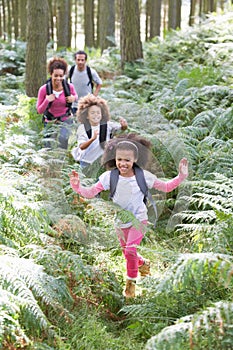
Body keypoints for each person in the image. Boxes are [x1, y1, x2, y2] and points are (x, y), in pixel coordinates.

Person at [69, 133, 189, 298]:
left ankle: (130, 287)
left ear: (135, 160)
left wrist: (181, 177)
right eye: (119, 159)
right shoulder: (108, 177)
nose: (122, 163)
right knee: (127, 253)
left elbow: (166, 187)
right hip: (120, 222)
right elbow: (90, 192)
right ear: (114, 159)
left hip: (139, 220)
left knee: (131, 250)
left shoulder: (143, 176)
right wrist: (77, 187)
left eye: (127, 160)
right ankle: (144, 263)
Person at [71, 94, 128, 168]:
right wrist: (92, 139)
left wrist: (124, 126)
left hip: (102, 162)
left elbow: (120, 129)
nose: (96, 115)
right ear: (87, 115)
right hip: (86, 161)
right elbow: (81, 146)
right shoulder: (83, 128)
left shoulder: (107, 125)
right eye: (92, 113)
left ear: (102, 114)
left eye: (98, 113)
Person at [37, 57, 78, 150]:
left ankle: (61, 162)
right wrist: (47, 100)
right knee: (47, 145)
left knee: (63, 140)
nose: (58, 78)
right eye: (56, 75)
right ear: (51, 74)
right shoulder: (44, 89)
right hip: (50, 121)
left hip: (65, 119)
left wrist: (73, 98)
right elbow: (39, 110)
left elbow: (76, 96)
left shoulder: (69, 87)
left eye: (61, 76)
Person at [69, 50, 102, 115]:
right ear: (75, 60)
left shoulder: (91, 72)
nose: (80, 62)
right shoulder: (71, 70)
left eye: (82, 60)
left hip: (87, 104)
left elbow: (99, 83)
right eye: (78, 60)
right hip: (74, 104)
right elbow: (63, 81)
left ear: (85, 60)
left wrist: (94, 95)